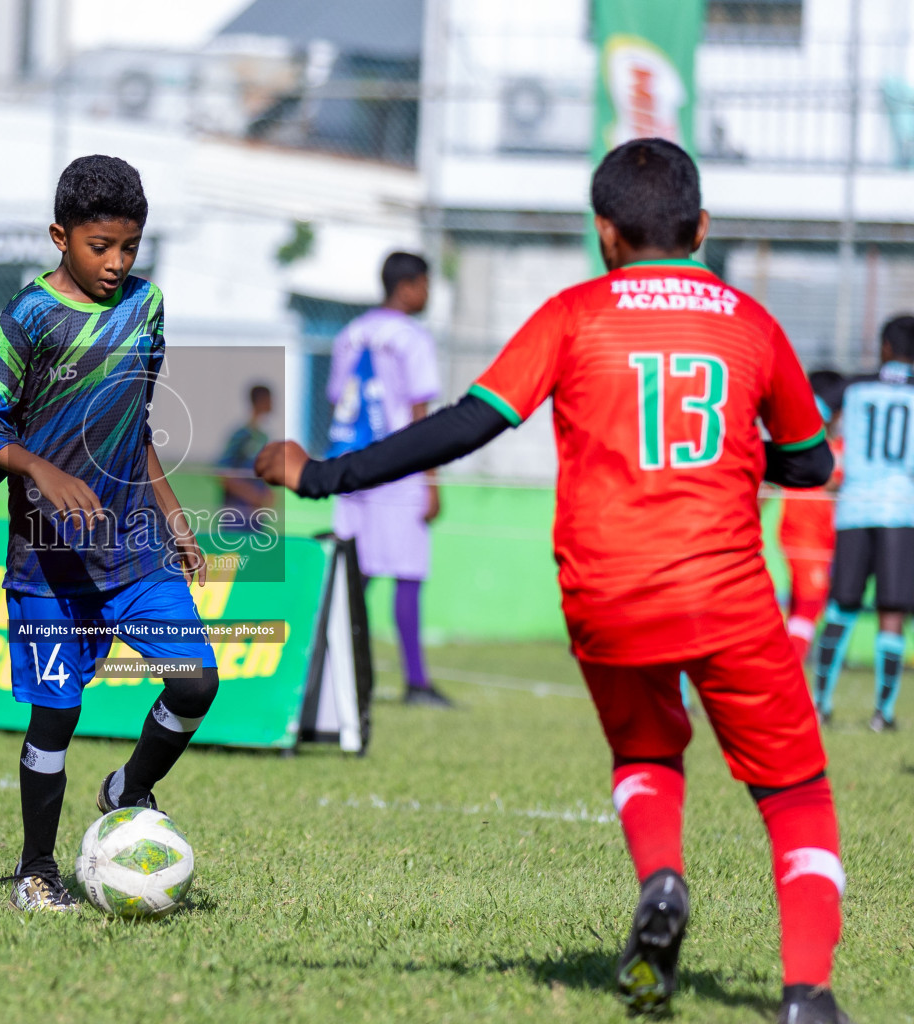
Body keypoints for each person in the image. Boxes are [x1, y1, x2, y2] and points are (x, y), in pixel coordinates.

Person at [256, 139, 849, 1024]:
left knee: (648, 753)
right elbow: (807, 467)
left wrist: (321, 475)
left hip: (606, 593)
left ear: (605, 233)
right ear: (704, 228)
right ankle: (805, 994)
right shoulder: (750, 323)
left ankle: (660, 880)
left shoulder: (574, 314)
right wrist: (744, 447)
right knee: (795, 791)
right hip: (725, 597)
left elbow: (464, 425)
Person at [0, 154, 218, 913]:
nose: (116, 263)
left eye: (128, 247)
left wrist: (172, 515)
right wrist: (41, 471)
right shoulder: (28, 317)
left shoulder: (148, 308)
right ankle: (37, 870)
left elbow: (134, 424)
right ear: (59, 236)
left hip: (133, 548)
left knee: (197, 679)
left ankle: (129, 787)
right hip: (47, 565)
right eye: (99, 246)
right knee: (57, 716)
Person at [327, 251, 448, 706]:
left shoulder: (350, 334)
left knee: (355, 570)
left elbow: (338, 402)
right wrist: (432, 482)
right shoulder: (411, 337)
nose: (427, 294)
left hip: (355, 466)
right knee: (407, 571)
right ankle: (416, 681)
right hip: (400, 466)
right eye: (426, 285)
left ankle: (330, 670)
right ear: (409, 286)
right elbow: (420, 413)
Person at [812, 316, 914, 732]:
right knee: (892, 613)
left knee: (841, 607)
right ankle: (883, 714)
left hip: (854, 507)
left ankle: (820, 706)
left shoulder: (851, 384)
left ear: (885, 347)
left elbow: (807, 416)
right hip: (901, 511)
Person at [777, 370, 845, 665]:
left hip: (811, 535)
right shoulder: (822, 447)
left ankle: (783, 669)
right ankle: (787, 675)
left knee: (798, 609)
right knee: (808, 607)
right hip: (807, 536)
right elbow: (831, 479)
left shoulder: (809, 440)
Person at [215, 383, 274, 528]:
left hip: (255, 518)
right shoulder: (241, 435)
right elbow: (222, 474)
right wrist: (252, 495)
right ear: (261, 401)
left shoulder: (262, 437)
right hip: (237, 516)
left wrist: (266, 493)